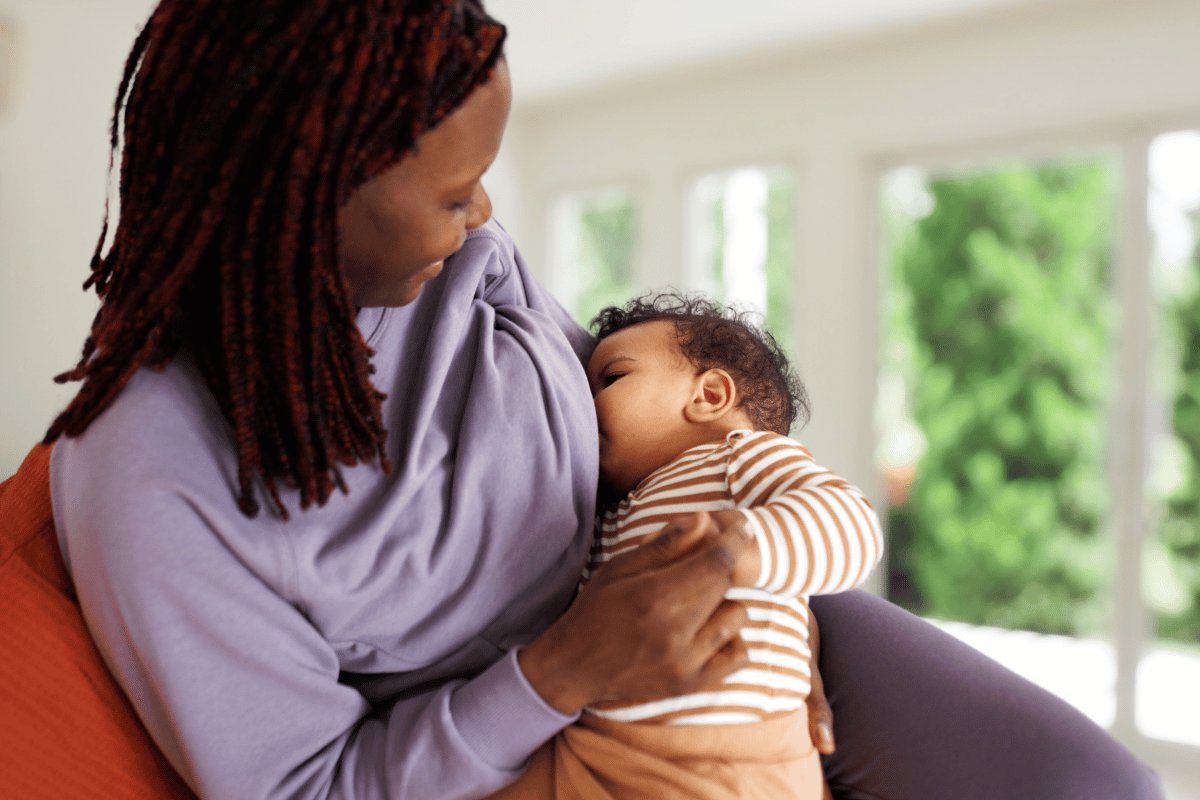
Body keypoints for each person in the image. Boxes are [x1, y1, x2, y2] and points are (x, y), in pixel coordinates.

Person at [35, 1, 1164, 799]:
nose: (484, 216)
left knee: (1095, 782)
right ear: (296, 194)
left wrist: (749, 536)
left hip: (742, 602)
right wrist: (568, 664)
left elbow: (638, 411)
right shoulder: (150, 466)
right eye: (448, 190)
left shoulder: (463, 265)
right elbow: (309, 783)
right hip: (544, 740)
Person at [512, 293, 883, 799]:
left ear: (709, 395)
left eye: (612, 379)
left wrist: (739, 553)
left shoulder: (739, 459)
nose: (584, 399)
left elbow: (851, 522)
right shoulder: (604, 511)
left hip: (731, 756)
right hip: (600, 748)